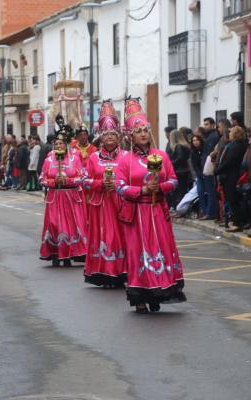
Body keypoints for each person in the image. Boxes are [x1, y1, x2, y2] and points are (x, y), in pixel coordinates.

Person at [115, 97, 186, 313]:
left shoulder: (161, 155)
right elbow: (119, 187)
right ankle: (140, 296)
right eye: (138, 131)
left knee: (161, 250)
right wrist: (142, 190)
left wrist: (161, 187)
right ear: (131, 136)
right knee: (138, 252)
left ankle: (160, 291)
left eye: (145, 129)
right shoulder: (125, 160)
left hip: (158, 211)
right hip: (136, 213)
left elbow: (174, 180)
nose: (143, 134)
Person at [83, 101, 127, 288]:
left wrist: (118, 185)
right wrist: (100, 184)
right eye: (106, 134)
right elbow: (84, 180)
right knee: (104, 236)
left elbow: (133, 179)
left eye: (113, 134)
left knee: (121, 237)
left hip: (121, 203)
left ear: (118, 137)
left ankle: (122, 270)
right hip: (101, 206)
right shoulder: (93, 158)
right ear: (100, 137)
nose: (109, 137)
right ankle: (105, 272)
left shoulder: (126, 156)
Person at [39, 129, 87, 267]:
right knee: (54, 225)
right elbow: (42, 179)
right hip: (55, 197)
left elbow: (82, 177)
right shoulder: (49, 159)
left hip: (71, 197)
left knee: (71, 227)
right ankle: (55, 253)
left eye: (61, 143)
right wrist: (54, 182)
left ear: (66, 145)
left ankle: (69, 254)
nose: (59, 146)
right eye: (56, 144)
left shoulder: (75, 158)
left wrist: (68, 181)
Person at [215, 126, 248, 232]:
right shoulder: (234, 145)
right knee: (232, 200)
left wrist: (218, 170)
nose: (229, 134)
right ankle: (235, 220)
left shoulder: (236, 146)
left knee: (234, 199)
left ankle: (238, 222)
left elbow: (229, 161)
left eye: (231, 132)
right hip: (230, 175)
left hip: (232, 176)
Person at [200, 117, 219, 220]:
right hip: (207, 167)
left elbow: (209, 153)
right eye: (204, 124)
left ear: (212, 125)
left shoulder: (213, 136)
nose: (205, 126)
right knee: (209, 191)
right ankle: (210, 212)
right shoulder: (209, 136)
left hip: (210, 168)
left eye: (207, 124)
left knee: (211, 191)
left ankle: (211, 213)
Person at [168, 129, 191, 208]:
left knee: (177, 191)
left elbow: (180, 158)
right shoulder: (185, 146)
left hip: (179, 171)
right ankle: (181, 207)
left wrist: (171, 163)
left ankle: (178, 207)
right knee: (182, 190)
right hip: (185, 171)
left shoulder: (178, 146)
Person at [188, 131, 205, 218]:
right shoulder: (193, 152)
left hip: (207, 173)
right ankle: (202, 210)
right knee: (200, 192)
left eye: (197, 140)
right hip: (199, 176)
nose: (195, 142)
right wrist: (199, 176)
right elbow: (195, 166)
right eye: (193, 140)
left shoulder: (204, 149)